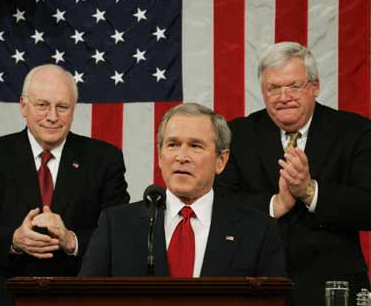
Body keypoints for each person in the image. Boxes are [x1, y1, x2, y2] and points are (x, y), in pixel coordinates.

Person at [216, 41, 371, 306]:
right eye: (273, 88)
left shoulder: (355, 132)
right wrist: (275, 205)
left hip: (333, 288)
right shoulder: (238, 135)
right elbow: (220, 202)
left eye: (293, 86)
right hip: (256, 285)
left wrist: (310, 192)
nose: (283, 96)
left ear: (314, 87)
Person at [0, 64, 130, 306]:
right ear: (24, 106)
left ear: (73, 110)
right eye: (42, 105)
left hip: (80, 304)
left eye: (62, 107)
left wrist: (71, 240)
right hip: (4, 304)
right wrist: (13, 240)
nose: (52, 116)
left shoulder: (105, 159)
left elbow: (119, 235)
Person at [79, 102, 286, 279]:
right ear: (160, 157)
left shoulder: (257, 231)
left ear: (221, 161)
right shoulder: (116, 226)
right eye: (173, 145)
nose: (181, 156)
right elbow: (84, 305)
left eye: (195, 146)